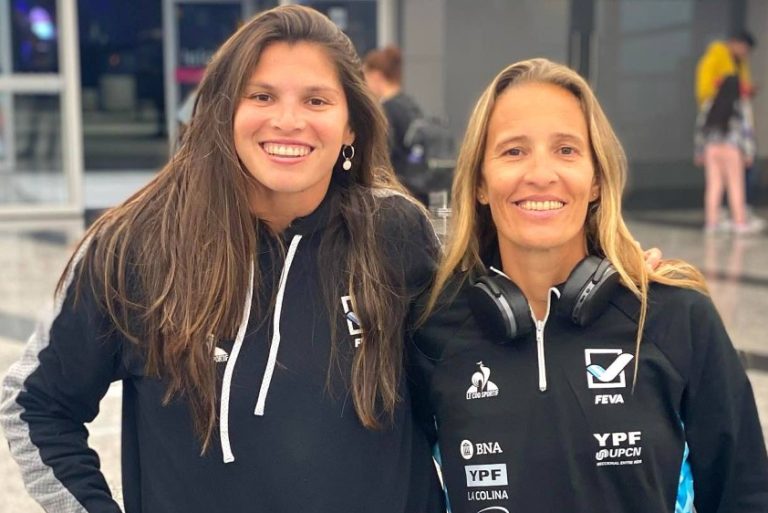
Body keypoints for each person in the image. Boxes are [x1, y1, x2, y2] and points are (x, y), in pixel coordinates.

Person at [0, 6, 443, 513]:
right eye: (261, 96)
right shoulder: (138, 245)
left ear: (351, 128)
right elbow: (35, 404)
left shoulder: (396, 234)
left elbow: (461, 400)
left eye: (316, 100)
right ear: (223, 110)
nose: (288, 121)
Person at [411, 58, 768, 513]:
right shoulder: (433, 330)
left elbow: (745, 493)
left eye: (566, 150)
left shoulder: (675, 317)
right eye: (513, 151)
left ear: (596, 179)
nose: (541, 174)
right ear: (480, 183)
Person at [695, 31, 762, 233]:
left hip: (711, 148)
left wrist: (699, 151)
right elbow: (746, 131)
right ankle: (739, 222)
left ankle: (711, 223)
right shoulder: (739, 106)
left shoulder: (710, 105)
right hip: (732, 148)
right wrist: (749, 153)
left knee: (714, 185)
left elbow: (701, 128)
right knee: (735, 185)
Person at [363, 47, 424, 192]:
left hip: (397, 187)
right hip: (417, 187)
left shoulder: (385, 110)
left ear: (376, 76)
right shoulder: (410, 105)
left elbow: (381, 156)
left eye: (364, 77)